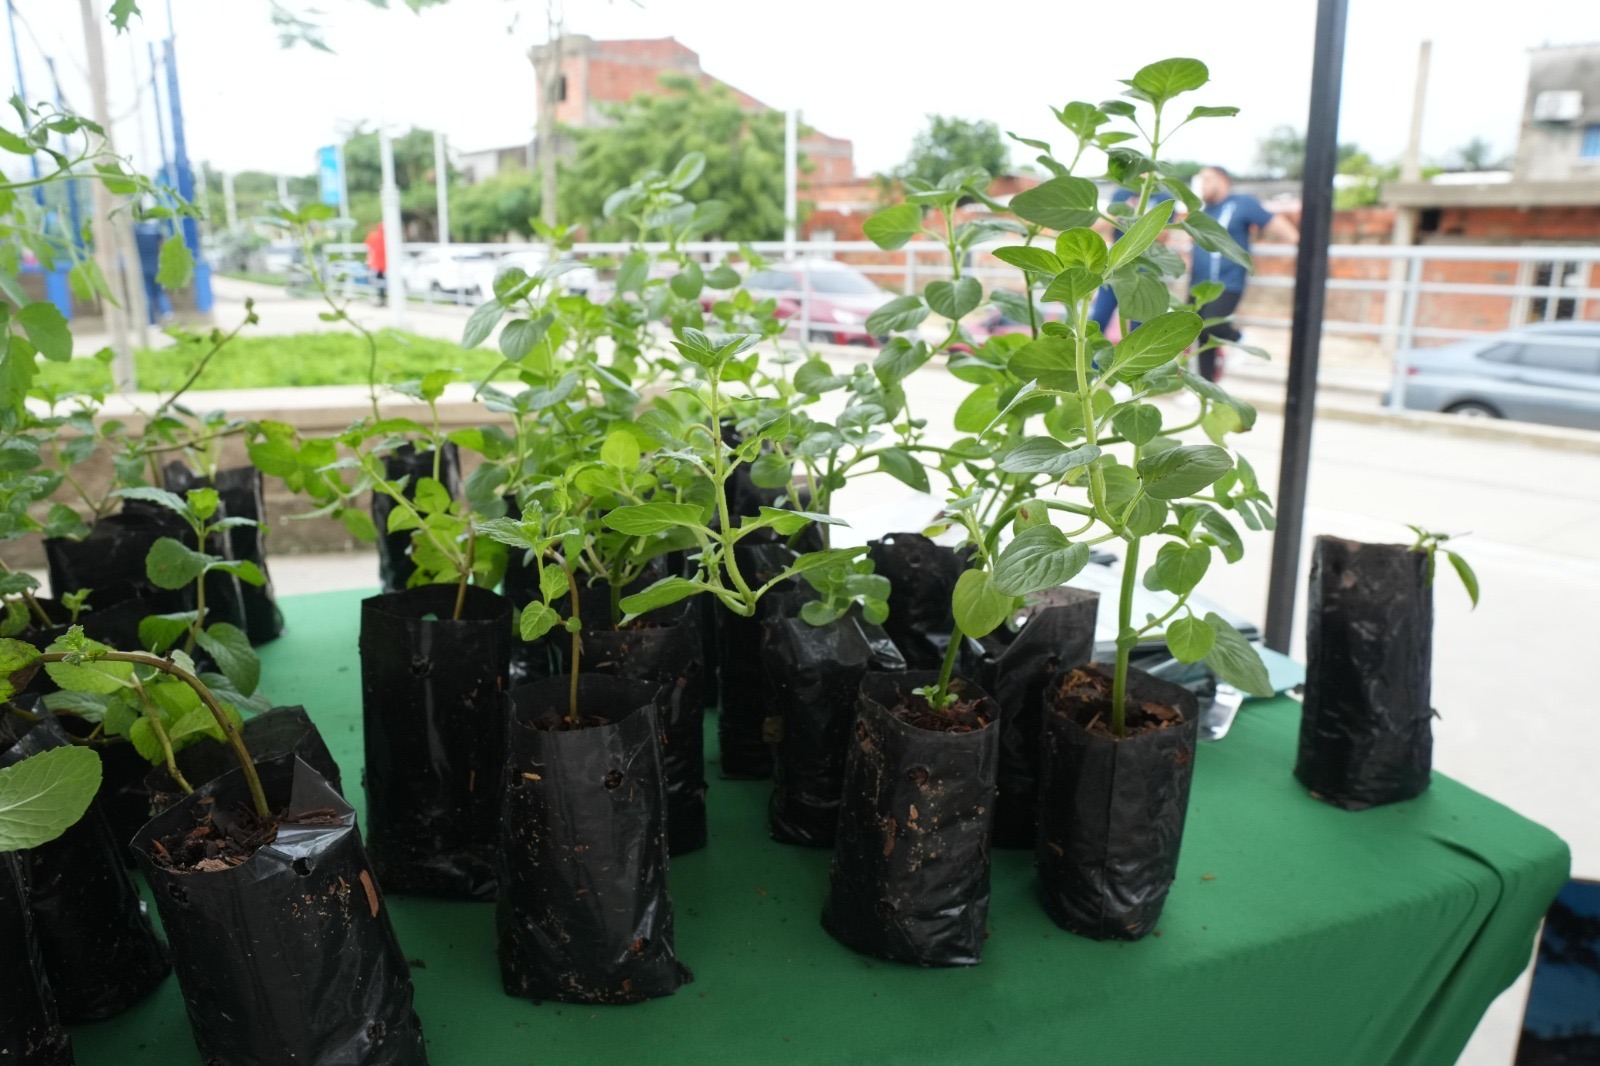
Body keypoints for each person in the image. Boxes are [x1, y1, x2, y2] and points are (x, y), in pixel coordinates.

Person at [1186, 165, 1299, 381]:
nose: (1203, 185)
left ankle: (1239, 339)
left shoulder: (1242, 203)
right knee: (1201, 336)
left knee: (1213, 324)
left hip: (1228, 282)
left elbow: (1275, 223)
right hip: (1199, 284)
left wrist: (1296, 245)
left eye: (1208, 179)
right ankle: (1205, 390)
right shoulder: (1203, 212)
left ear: (1223, 180)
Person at [133, 220, 174, 325]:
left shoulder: (134, 231)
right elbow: (162, 246)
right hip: (156, 266)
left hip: (141, 267)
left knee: (147, 295)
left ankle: (152, 322)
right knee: (160, 292)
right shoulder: (155, 229)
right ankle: (166, 312)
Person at [364, 223, 387, 306]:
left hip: (377, 264)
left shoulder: (373, 236)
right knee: (380, 282)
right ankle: (381, 299)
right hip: (382, 265)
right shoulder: (387, 237)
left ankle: (380, 299)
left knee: (377, 282)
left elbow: (368, 248)